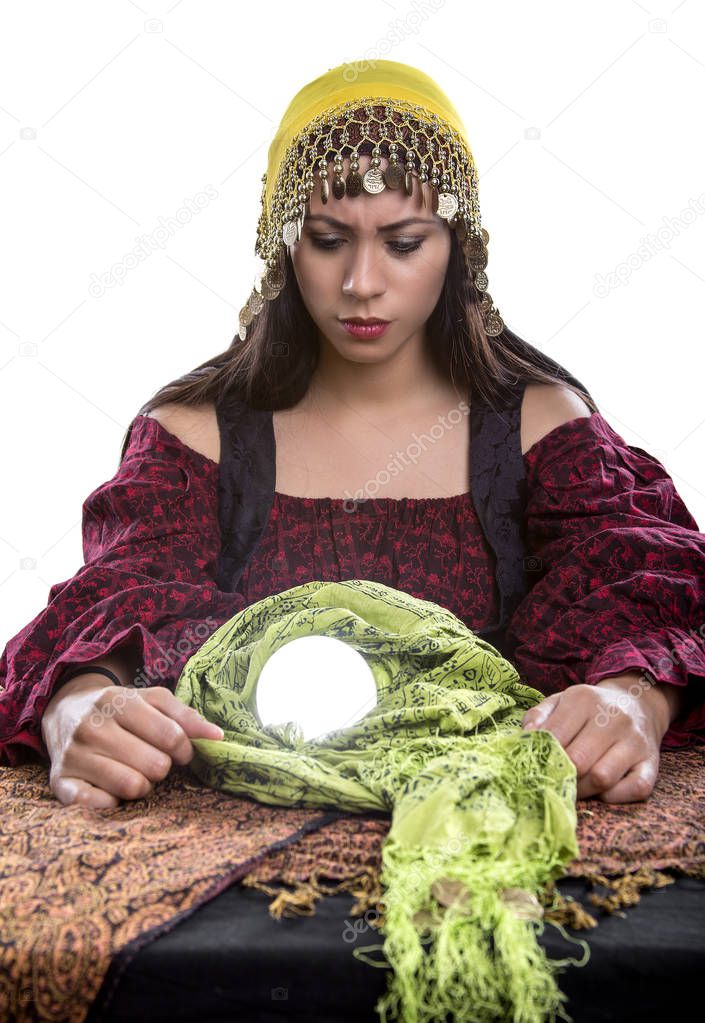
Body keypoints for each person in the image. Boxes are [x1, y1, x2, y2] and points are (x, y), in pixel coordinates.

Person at [2, 59, 704, 812]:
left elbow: (657, 596)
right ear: (281, 246)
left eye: (402, 243)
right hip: (235, 867)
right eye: (328, 239)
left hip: (483, 835)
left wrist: (632, 701)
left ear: (458, 245)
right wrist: (78, 705)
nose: (361, 282)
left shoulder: (541, 432)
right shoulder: (193, 440)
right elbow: (109, 607)